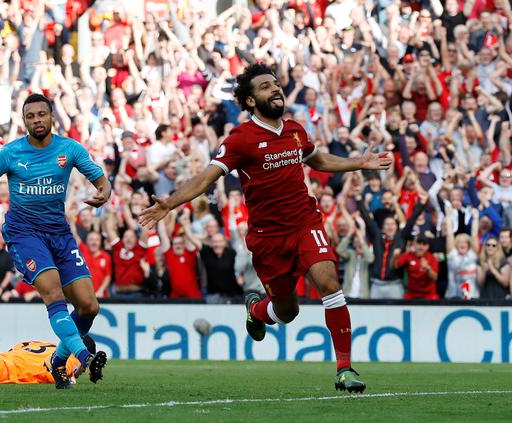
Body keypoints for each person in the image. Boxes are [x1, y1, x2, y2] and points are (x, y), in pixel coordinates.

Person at [139, 63, 392, 393]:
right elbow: (206, 178)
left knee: (329, 281)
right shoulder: (240, 140)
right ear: (248, 101)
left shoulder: (296, 130)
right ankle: (257, 310)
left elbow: (317, 160)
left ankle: (344, 368)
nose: (275, 89)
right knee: (287, 312)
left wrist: (359, 162)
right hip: (268, 237)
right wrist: (169, 203)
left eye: (275, 84)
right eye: (264, 87)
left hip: (305, 221)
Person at [0, 94, 109, 389]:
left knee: (89, 307)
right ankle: (82, 356)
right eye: (31, 116)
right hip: (24, 235)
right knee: (54, 294)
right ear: (24, 120)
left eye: (42, 114)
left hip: (60, 234)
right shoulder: (10, 153)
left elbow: (102, 181)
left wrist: (103, 193)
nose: (37, 120)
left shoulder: (70, 149)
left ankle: (57, 361)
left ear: (52, 117)